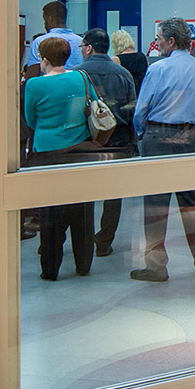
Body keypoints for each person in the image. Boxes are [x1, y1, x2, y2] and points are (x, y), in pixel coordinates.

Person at [130, 17, 195, 282]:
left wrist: (142, 134)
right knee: (194, 202)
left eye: (158, 39)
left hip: (159, 135)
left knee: (156, 204)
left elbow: (141, 109)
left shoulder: (158, 69)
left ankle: (156, 267)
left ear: (170, 41)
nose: (156, 44)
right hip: (190, 135)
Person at [23, 37, 104, 280]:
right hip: (79, 149)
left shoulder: (34, 85)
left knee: (50, 213)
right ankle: (83, 264)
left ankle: (50, 269)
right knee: (82, 209)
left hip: (47, 152)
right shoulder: (80, 77)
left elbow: (30, 120)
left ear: (44, 59)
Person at [77, 28, 137, 257]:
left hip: (88, 139)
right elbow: (132, 108)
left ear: (89, 47)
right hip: (119, 137)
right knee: (113, 193)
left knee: (85, 192)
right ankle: (104, 240)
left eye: (83, 46)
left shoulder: (77, 74)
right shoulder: (122, 73)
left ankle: (83, 240)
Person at [23, 1, 84, 79]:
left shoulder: (39, 42)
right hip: (75, 88)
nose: (45, 25)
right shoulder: (81, 42)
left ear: (50, 19)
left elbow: (32, 76)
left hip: (47, 89)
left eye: (45, 21)